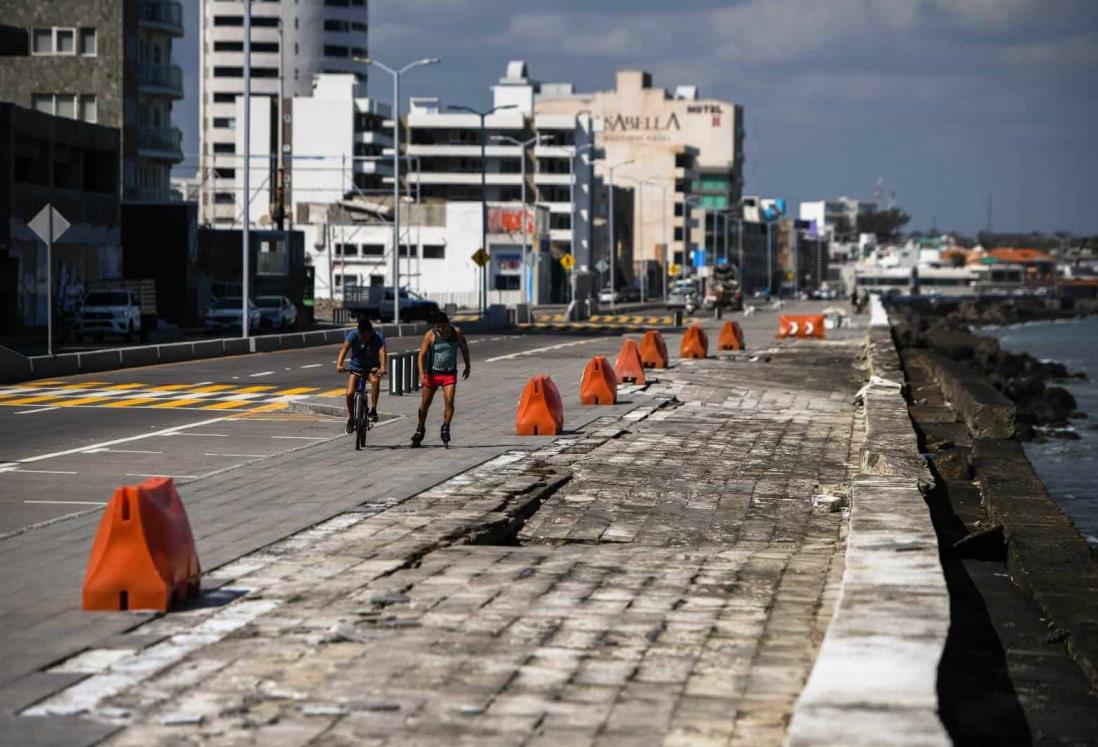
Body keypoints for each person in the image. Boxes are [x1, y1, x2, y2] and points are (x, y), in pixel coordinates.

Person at [412, 310, 470, 446]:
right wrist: (422, 375)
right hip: (432, 375)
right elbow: (421, 356)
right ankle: (420, 428)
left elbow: (464, 348)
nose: (439, 329)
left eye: (442, 326)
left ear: (448, 324)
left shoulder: (456, 333)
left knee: (449, 402)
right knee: (424, 405)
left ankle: (445, 427)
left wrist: (468, 365)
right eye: (437, 327)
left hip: (449, 374)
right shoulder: (430, 335)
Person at [336, 317, 387, 433]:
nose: (365, 338)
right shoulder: (353, 335)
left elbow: (382, 352)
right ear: (359, 333)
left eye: (367, 336)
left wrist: (382, 367)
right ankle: (351, 418)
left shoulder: (378, 337)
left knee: (375, 381)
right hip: (356, 368)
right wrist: (339, 364)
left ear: (371, 332)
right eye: (362, 336)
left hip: (371, 368)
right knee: (349, 393)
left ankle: (373, 410)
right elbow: (344, 349)